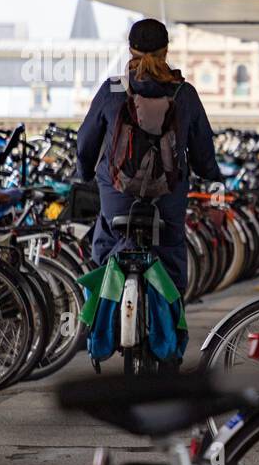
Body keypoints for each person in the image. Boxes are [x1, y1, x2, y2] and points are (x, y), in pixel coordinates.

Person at [76, 18, 221, 296]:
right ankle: (171, 328)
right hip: (167, 198)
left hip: (117, 197)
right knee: (170, 257)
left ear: (131, 50)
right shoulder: (183, 93)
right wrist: (210, 175)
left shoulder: (113, 89)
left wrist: (84, 175)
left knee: (104, 253)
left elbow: (85, 142)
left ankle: (99, 325)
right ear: (166, 51)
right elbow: (203, 151)